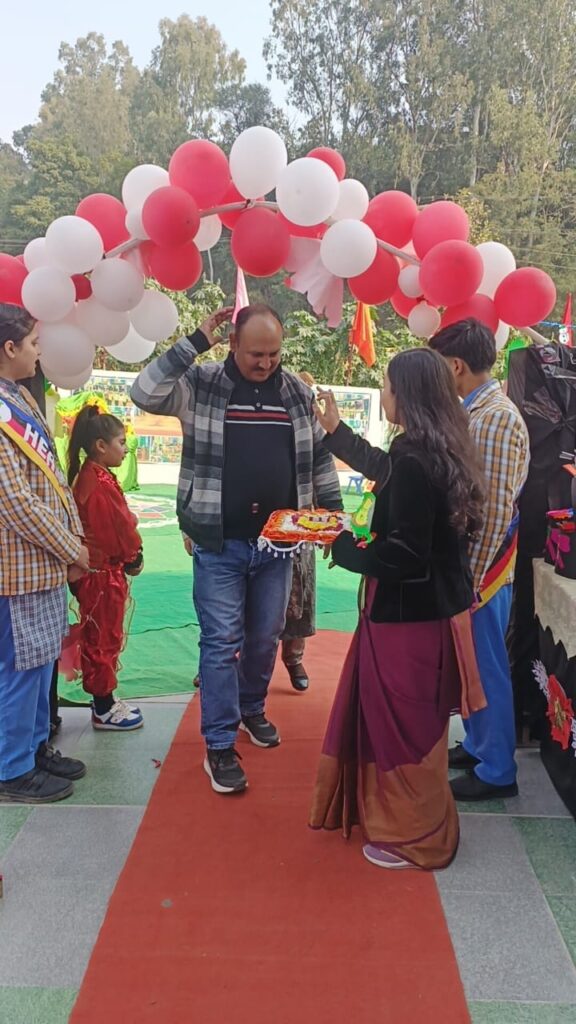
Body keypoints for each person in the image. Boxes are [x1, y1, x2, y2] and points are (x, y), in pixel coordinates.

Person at [131, 304, 342, 795]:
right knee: (222, 641)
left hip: (279, 545)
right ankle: (220, 743)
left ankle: (251, 709)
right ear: (232, 344)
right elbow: (143, 391)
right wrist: (193, 343)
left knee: (266, 636)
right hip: (218, 542)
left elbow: (319, 458)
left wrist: (332, 518)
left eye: (273, 354)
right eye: (255, 354)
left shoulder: (296, 393)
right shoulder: (201, 384)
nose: (266, 363)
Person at [310, 348, 486, 869]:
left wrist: (345, 546)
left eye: (387, 385)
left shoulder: (415, 460)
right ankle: (418, 822)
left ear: (405, 394)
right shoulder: (436, 448)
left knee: (405, 729)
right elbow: (385, 470)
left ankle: (417, 838)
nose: (384, 393)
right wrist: (336, 432)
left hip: (409, 621)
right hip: (432, 613)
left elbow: (406, 554)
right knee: (417, 724)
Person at [429, 319, 530, 801]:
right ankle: (477, 745)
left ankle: (496, 770)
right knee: (472, 665)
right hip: (475, 567)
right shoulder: (478, 411)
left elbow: (490, 511)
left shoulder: (494, 418)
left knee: (485, 669)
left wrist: (470, 579)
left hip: (483, 570)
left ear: (455, 366)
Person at [0, 303, 89, 803]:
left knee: (39, 665)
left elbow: (50, 479)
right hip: (17, 570)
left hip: (43, 566)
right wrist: (70, 546)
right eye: (33, 343)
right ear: (9, 347)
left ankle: (33, 749)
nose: (39, 352)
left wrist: (69, 545)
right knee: (20, 670)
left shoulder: (19, 397)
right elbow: (16, 502)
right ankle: (11, 769)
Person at [68, 405, 144, 731]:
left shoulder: (95, 476)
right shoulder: (96, 483)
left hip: (100, 573)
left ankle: (106, 699)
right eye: (121, 442)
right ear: (101, 445)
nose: (125, 449)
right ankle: (102, 707)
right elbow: (115, 531)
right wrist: (133, 556)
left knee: (104, 635)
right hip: (101, 576)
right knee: (101, 638)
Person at [281, 369, 318, 692]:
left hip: (300, 526)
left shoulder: (310, 430)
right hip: (255, 529)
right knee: (239, 605)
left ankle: (294, 658)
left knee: (298, 597)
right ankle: (221, 662)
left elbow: (322, 469)